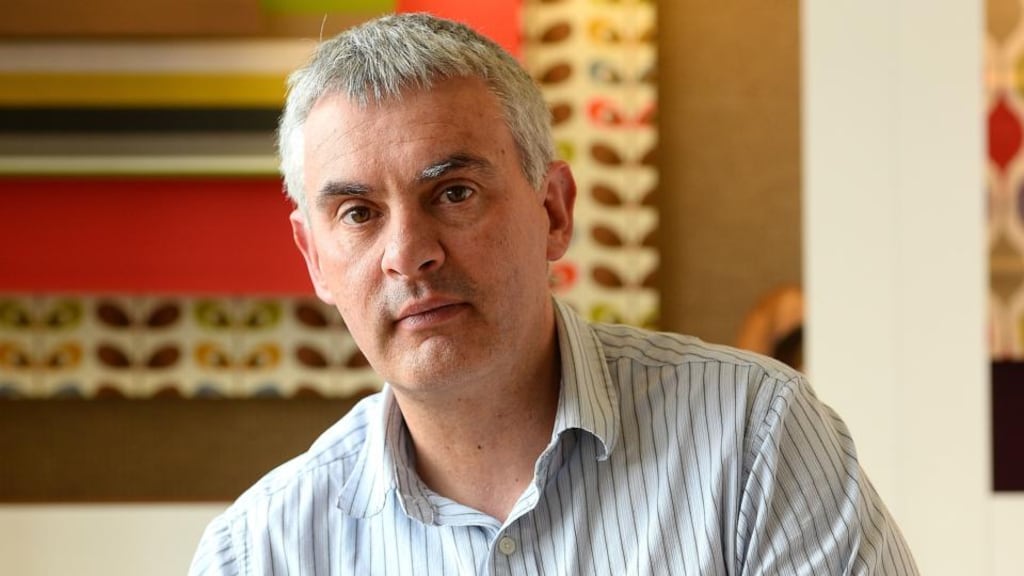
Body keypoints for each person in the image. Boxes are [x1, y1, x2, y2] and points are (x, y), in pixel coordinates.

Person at [190, 13, 918, 575]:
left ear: (554, 210)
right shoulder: (261, 551)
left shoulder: (755, 439)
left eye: (454, 192)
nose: (409, 254)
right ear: (314, 257)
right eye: (358, 214)